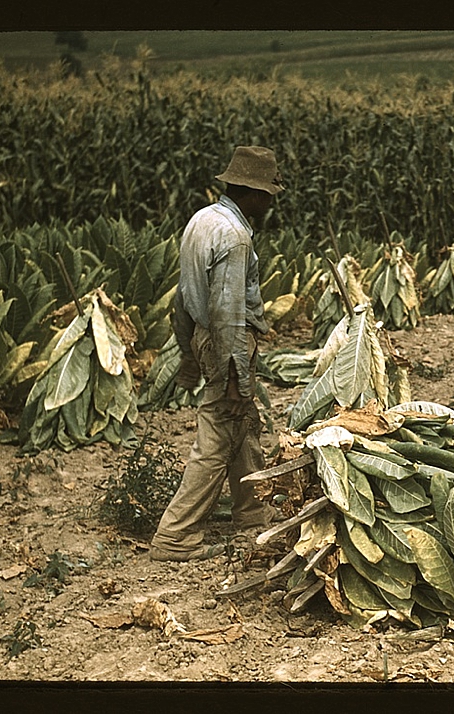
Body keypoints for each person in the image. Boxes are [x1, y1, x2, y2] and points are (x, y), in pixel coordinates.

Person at [149, 146, 285, 562]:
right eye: (267, 194)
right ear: (252, 193)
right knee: (218, 432)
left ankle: (251, 510)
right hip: (229, 343)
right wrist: (234, 373)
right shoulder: (235, 236)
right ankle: (175, 535)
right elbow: (227, 312)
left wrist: (190, 356)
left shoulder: (203, 220)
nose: (269, 203)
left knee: (244, 423)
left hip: (207, 339)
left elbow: (182, 295)